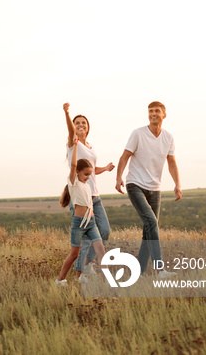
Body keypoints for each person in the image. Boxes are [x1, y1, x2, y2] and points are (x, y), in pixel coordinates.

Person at [115, 101, 182, 278]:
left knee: (149, 229)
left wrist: (177, 184)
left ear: (164, 115)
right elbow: (124, 157)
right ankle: (160, 270)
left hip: (155, 188)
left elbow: (172, 163)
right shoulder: (138, 134)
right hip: (135, 184)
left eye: (157, 111)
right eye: (150, 111)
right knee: (152, 223)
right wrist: (118, 177)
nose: (153, 113)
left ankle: (139, 271)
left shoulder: (168, 137)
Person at [63, 102, 115, 280]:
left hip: (95, 196)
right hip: (80, 198)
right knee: (85, 236)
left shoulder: (90, 146)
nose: (80, 125)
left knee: (105, 231)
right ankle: (80, 272)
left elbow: (90, 170)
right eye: (77, 123)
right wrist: (67, 112)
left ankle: (87, 263)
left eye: (83, 123)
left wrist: (105, 168)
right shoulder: (73, 143)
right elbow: (70, 131)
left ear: (88, 127)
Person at [55, 137, 106, 285]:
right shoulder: (74, 182)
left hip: (91, 223)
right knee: (74, 254)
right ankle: (60, 280)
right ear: (77, 172)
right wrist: (76, 146)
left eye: (90, 175)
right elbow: (72, 164)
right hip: (79, 224)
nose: (87, 177)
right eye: (85, 174)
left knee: (101, 249)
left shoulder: (86, 185)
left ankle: (106, 279)